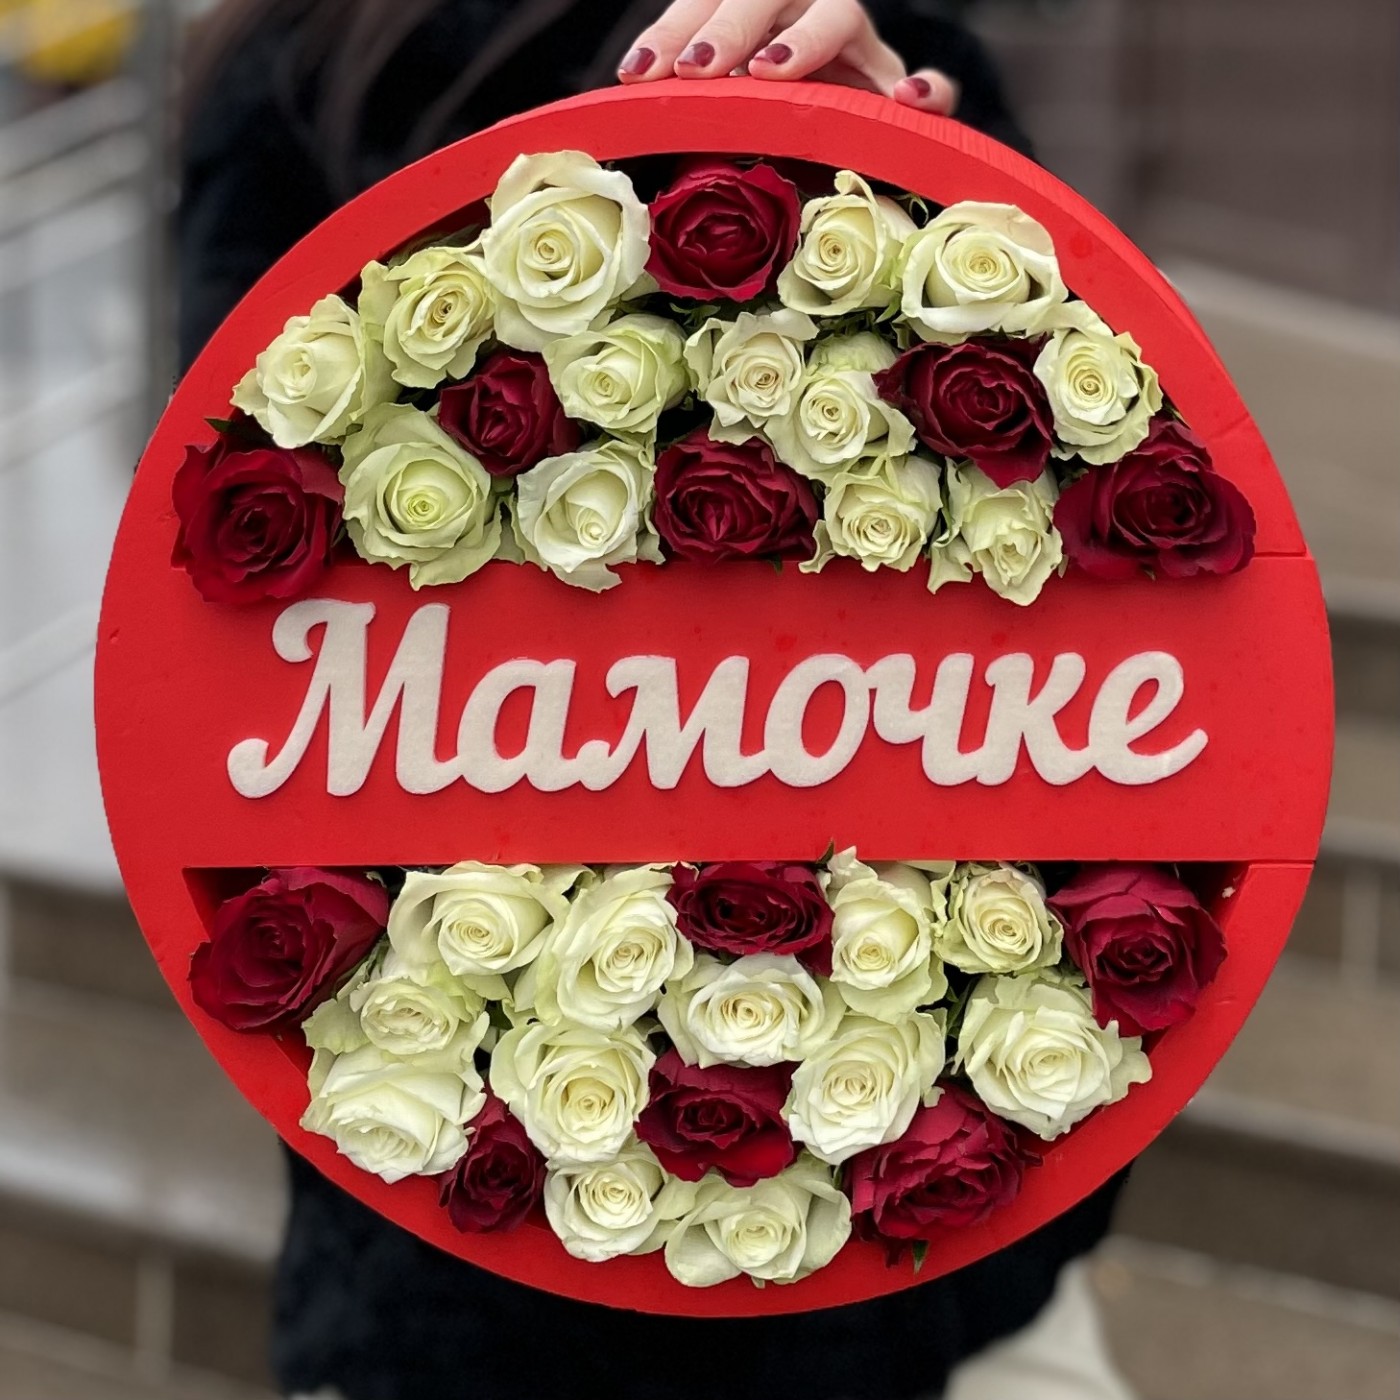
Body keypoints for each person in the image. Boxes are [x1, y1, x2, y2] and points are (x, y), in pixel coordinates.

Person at [177, 5, 1134, 1398]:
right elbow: (219, 566)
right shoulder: (314, 59)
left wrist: (885, 185)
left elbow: (1103, 552)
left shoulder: (890, 37)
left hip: (934, 1285)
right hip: (456, 1295)